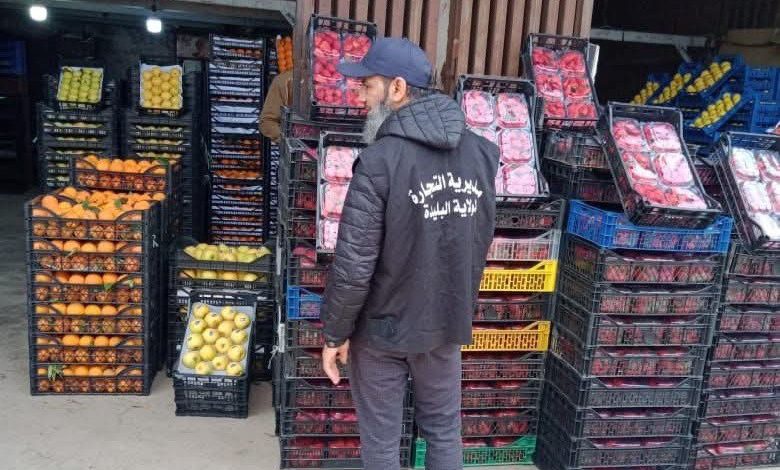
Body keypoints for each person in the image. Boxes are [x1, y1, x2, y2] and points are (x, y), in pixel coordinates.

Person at [319, 38, 499, 470]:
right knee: (443, 432)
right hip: (444, 323)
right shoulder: (481, 155)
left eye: (368, 85)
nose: (361, 97)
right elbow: (477, 242)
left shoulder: (380, 161)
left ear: (397, 88)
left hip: (382, 330)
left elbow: (354, 266)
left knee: (382, 444)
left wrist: (335, 335)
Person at [259, 69, 293, 142]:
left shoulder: (283, 80)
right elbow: (267, 121)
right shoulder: (284, 81)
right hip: (299, 145)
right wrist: (290, 141)